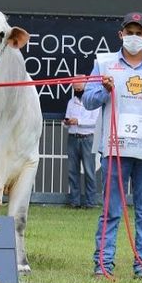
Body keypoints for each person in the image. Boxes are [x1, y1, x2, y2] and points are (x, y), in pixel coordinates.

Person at [82, 12, 142, 279]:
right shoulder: (104, 63)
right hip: (114, 149)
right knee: (110, 211)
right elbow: (88, 101)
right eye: (129, 32)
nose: (134, 37)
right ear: (120, 34)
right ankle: (102, 265)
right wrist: (103, 89)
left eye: (139, 32)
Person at [63, 80, 99, 208]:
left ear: (85, 87)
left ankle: (91, 202)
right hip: (72, 137)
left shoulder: (93, 102)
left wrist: (78, 121)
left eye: (79, 88)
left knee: (89, 171)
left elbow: (95, 121)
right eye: (75, 88)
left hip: (87, 138)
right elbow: (66, 119)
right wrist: (67, 122)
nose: (77, 91)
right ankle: (74, 201)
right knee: (72, 171)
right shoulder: (71, 102)